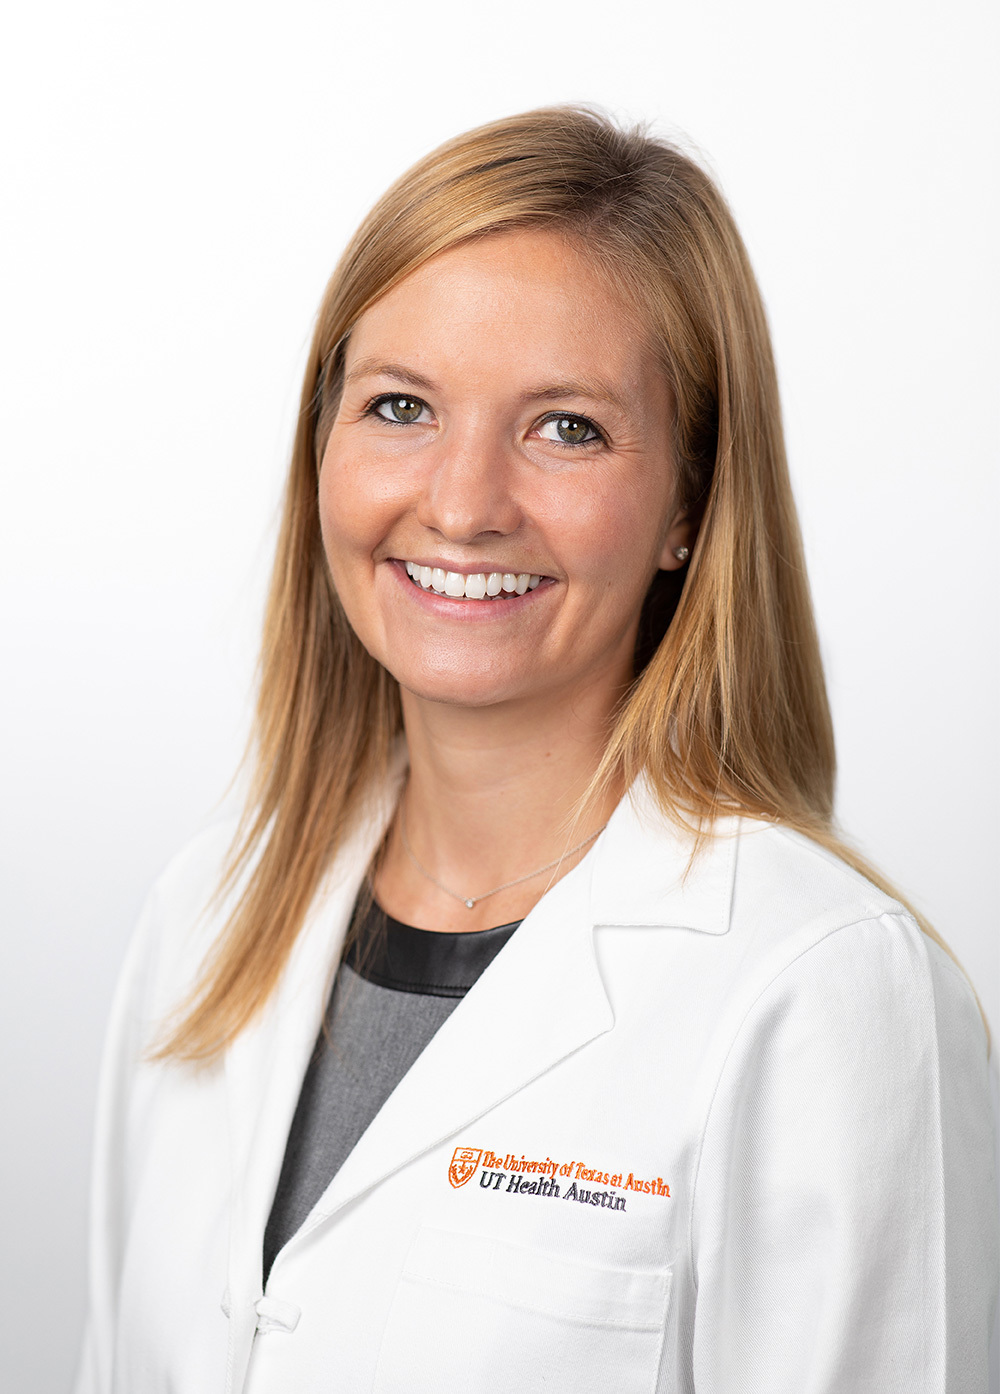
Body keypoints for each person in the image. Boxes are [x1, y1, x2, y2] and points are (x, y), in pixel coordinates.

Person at [74, 106, 997, 1393]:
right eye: (400, 405)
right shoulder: (206, 918)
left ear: (688, 501)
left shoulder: (822, 992)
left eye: (565, 426)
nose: (459, 504)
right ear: (322, 446)